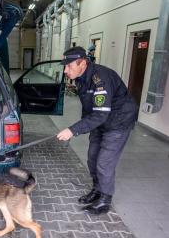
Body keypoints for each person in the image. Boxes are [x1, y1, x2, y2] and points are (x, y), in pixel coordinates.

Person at [56, 46, 138, 215]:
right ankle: (97, 190)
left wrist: (73, 130)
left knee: (104, 162)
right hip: (101, 120)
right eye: (65, 66)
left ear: (83, 63)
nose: (65, 70)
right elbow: (88, 107)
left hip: (118, 121)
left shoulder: (101, 78)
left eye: (69, 66)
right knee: (92, 158)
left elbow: (100, 113)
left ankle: (105, 200)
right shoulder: (80, 78)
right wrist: (81, 128)